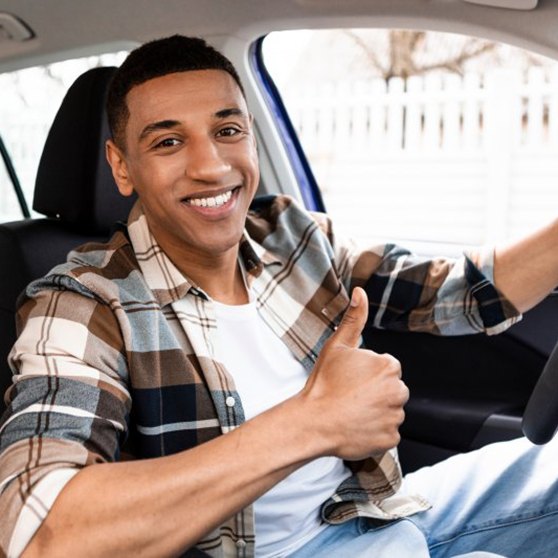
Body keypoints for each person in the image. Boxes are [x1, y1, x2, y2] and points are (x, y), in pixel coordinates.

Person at [0, 35, 557, 558]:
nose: (211, 166)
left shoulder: (291, 236)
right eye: (169, 141)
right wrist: (312, 423)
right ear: (122, 167)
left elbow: (462, 294)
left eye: (227, 131)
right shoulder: (82, 301)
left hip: (366, 512)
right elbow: (39, 532)